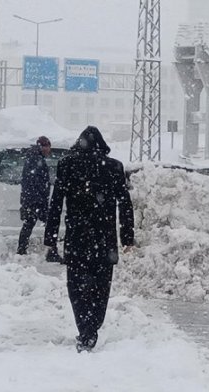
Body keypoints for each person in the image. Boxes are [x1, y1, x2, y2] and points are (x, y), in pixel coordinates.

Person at [44, 126, 134, 353]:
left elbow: (56, 202)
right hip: (104, 240)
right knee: (101, 288)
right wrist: (127, 236)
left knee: (76, 287)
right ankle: (93, 326)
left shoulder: (67, 165)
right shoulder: (113, 167)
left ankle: (85, 329)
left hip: (77, 238)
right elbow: (125, 203)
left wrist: (51, 236)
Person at [17, 136, 61, 262]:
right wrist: (41, 200)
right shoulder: (36, 160)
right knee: (47, 224)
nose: (49, 150)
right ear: (43, 147)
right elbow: (36, 182)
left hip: (32, 199)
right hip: (36, 200)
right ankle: (51, 251)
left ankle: (22, 250)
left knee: (29, 224)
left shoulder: (33, 158)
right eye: (48, 147)